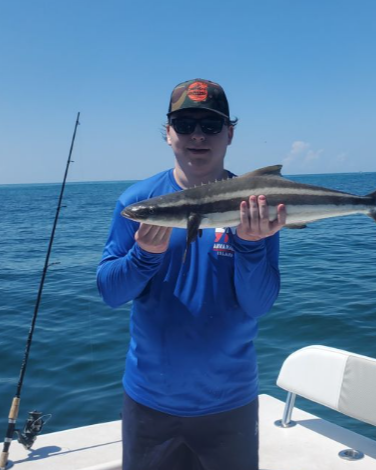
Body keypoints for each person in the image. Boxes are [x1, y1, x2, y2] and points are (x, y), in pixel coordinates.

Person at [97, 78, 286, 470]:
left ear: (230, 133)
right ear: (167, 133)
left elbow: (259, 303)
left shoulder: (254, 205)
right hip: (149, 402)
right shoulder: (137, 203)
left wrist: (249, 244)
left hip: (230, 404)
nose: (197, 135)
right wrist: (144, 256)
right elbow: (111, 293)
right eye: (184, 125)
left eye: (211, 125)